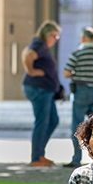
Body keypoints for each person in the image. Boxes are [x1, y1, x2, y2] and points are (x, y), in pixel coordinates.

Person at [62, 27, 93, 168]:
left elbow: (66, 73)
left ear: (83, 38)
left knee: (77, 126)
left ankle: (76, 159)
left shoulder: (78, 53)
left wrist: (78, 72)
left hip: (81, 91)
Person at [22, 21, 62, 167]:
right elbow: (28, 56)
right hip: (39, 89)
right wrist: (32, 71)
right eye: (54, 36)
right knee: (42, 122)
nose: (55, 40)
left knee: (53, 120)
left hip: (46, 90)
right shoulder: (38, 43)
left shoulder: (41, 45)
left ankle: (40, 153)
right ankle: (36, 157)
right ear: (46, 33)